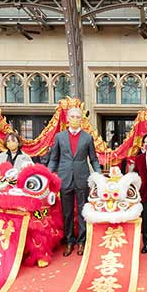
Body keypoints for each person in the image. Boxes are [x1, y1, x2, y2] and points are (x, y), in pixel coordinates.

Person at [48, 106, 102, 257]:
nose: (75, 119)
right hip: (64, 177)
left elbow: (93, 159)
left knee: (83, 211)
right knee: (67, 212)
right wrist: (47, 175)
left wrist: (99, 176)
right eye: (72, 117)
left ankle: (82, 241)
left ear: (82, 120)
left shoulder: (87, 138)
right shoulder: (59, 137)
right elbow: (54, 159)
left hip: (82, 178)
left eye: (78, 117)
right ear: (68, 119)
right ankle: (69, 241)